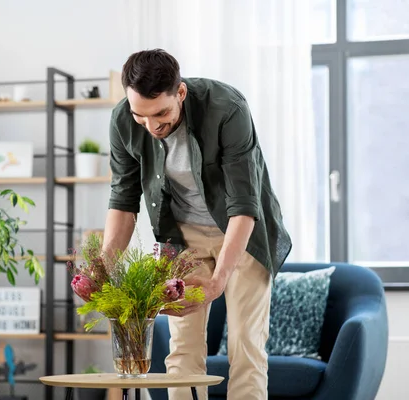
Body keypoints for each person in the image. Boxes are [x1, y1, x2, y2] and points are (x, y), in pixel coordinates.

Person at [101, 49, 292, 400]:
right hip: (181, 235)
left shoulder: (227, 108)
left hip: (242, 234)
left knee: (245, 345)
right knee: (182, 351)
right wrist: (104, 269)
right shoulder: (123, 121)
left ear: (181, 93)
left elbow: (244, 206)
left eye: (161, 113)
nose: (152, 126)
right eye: (140, 116)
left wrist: (218, 280)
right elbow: (123, 201)